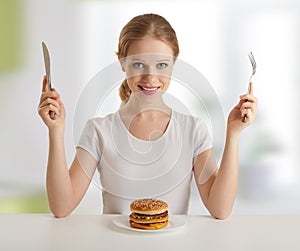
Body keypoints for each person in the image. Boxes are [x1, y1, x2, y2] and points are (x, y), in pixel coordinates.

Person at [38, 13, 257, 219]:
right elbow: (61, 207)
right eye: (138, 64)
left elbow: (220, 209)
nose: (151, 77)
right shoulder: (99, 130)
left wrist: (234, 133)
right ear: (122, 63)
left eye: (161, 65)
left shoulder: (193, 129)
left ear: (173, 64)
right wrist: (55, 131)